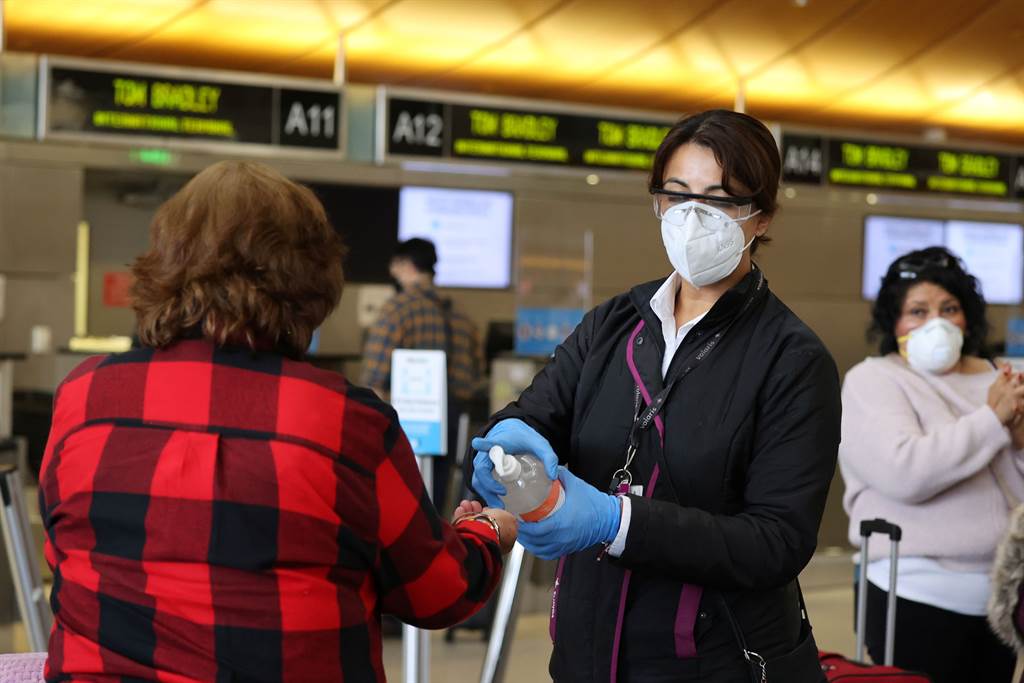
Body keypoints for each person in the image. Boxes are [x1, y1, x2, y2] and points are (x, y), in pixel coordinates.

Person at [38, 161, 516, 683]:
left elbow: (62, 552)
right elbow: (437, 592)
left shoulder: (85, 396)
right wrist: (487, 530)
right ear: (311, 278)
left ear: (164, 263)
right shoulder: (345, 422)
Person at [469, 109, 841, 682]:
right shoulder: (615, 324)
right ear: (657, 203)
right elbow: (535, 415)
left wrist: (617, 523)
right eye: (678, 193)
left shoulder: (792, 359)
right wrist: (512, 453)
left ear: (760, 217)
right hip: (589, 653)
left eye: (719, 199)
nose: (693, 215)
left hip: (718, 662)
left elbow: (776, 541)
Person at [839, 246, 1024, 683]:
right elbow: (904, 471)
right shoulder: (875, 379)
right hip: (913, 594)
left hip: (1002, 600)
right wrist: (992, 420)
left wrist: (1018, 443)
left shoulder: (998, 376)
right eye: (917, 311)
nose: (935, 323)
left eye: (950, 308)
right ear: (893, 323)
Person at [362, 237, 484, 505]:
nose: (392, 272)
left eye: (395, 265)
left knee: (403, 498)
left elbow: (375, 373)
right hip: (453, 419)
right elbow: (476, 375)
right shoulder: (462, 315)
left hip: (407, 420)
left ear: (407, 265)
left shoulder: (398, 308)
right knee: (438, 498)